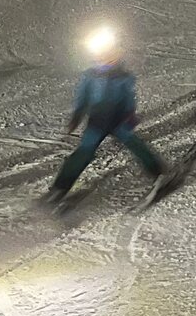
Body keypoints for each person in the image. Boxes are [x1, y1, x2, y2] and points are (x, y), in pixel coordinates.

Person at [46, 28, 164, 203]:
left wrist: (130, 114)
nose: (106, 59)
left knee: (136, 145)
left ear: (116, 54)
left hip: (118, 120)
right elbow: (83, 98)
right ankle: (59, 188)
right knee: (83, 153)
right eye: (102, 55)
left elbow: (128, 98)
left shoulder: (123, 77)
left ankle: (159, 173)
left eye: (110, 54)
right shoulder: (90, 76)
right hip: (97, 121)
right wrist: (76, 116)